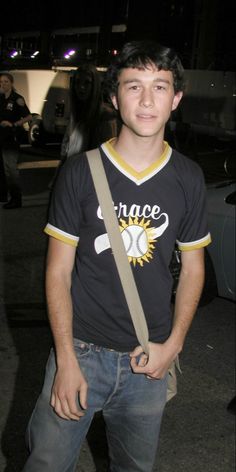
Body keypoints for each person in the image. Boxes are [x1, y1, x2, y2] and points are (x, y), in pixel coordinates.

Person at [22, 40, 211, 472]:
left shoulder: (187, 177)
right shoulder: (80, 172)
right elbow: (57, 272)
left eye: (160, 87)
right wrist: (65, 359)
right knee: (46, 465)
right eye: (133, 87)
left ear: (176, 99)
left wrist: (173, 347)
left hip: (149, 358)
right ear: (113, 96)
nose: (147, 100)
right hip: (81, 352)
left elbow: (193, 269)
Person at [60, 63, 119, 160]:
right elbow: (66, 149)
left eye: (87, 83)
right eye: (77, 82)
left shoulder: (105, 116)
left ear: (95, 86)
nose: (81, 87)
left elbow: (107, 155)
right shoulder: (76, 114)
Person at [0, 72, 32, 209]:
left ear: (12, 83)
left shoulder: (17, 99)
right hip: (0, 137)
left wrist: (13, 124)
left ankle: (16, 199)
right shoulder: (1, 98)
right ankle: (3, 195)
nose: (3, 84)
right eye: (1, 82)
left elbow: (29, 117)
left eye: (6, 81)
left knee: (10, 170)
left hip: (11, 139)